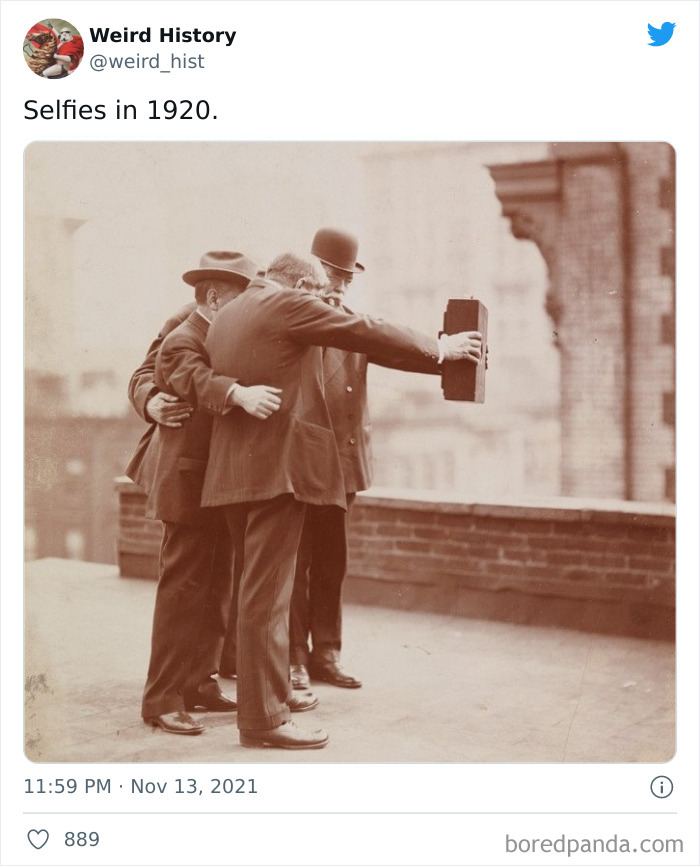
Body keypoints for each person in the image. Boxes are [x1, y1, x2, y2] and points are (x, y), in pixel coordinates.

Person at [203, 252, 483, 749]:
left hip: (233, 472)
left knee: (255, 595)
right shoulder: (286, 303)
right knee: (268, 599)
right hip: (279, 472)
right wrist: (440, 348)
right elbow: (361, 327)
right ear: (298, 285)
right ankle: (265, 721)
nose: (321, 303)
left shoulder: (229, 313)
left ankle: (264, 707)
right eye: (316, 294)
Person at [132, 251, 283, 735]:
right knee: (183, 592)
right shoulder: (185, 334)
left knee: (216, 588)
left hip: (216, 480)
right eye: (241, 296)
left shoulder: (219, 331)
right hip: (186, 480)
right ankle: (162, 698)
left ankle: (198, 682)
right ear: (214, 296)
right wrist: (234, 394)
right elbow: (181, 376)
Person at [288, 228, 441, 692]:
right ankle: (294, 657)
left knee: (332, 560)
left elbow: (392, 348)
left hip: (343, 462)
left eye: (346, 278)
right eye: (333, 274)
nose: (339, 285)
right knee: (296, 563)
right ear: (311, 269)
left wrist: (446, 356)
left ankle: (326, 654)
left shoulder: (350, 321)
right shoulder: (295, 315)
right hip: (300, 461)